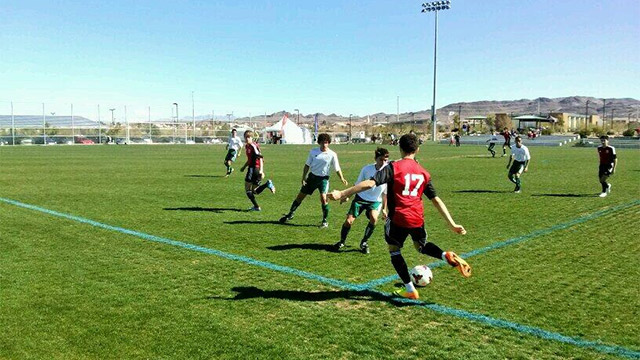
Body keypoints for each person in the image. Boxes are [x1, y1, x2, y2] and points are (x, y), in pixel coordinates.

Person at [328, 133, 471, 300]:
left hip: (398, 219)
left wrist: (343, 192)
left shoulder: (393, 167)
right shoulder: (424, 172)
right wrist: (452, 224)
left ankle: (409, 289)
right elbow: (436, 199)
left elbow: (369, 183)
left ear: (400, 148)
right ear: (417, 149)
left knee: (394, 251)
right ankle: (443, 255)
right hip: (417, 218)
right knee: (421, 247)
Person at [279, 133, 348, 228]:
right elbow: (307, 165)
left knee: (324, 199)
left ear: (329, 143)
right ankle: (290, 213)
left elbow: (337, 168)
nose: (324, 144)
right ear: (319, 142)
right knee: (300, 197)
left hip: (323, 179)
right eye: (323, 142)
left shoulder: (332, 154)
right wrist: (303, 177)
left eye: (326, 142)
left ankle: (325, 221)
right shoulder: (313, 152)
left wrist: (342, 178)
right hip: (312, 178)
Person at [333, 147, 389, 254]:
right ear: (375, 159)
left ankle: (364, 242)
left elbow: (385, 193)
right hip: (360, 198)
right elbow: (357, 185)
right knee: (349, 221)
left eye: (385, 160)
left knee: (374, 218)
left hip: (375, 201)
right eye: (381, 159)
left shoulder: (387, 172)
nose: (383, 162)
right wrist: (347, 196)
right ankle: (342, 241)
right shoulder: (366, 169)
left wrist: (384, 209)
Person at [239, 130, 275, 211]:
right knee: (254, 191)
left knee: (247, 189)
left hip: (254, 169)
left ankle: (256, 207)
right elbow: (250, 159)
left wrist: (261, 170)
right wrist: (244, 167)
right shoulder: (247, 146)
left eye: (249, 137)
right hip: (253, 168)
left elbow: (260, 157)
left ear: (252, 137)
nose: (247, 139)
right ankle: (267, 184)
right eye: (246, 137)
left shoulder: (253, 146)